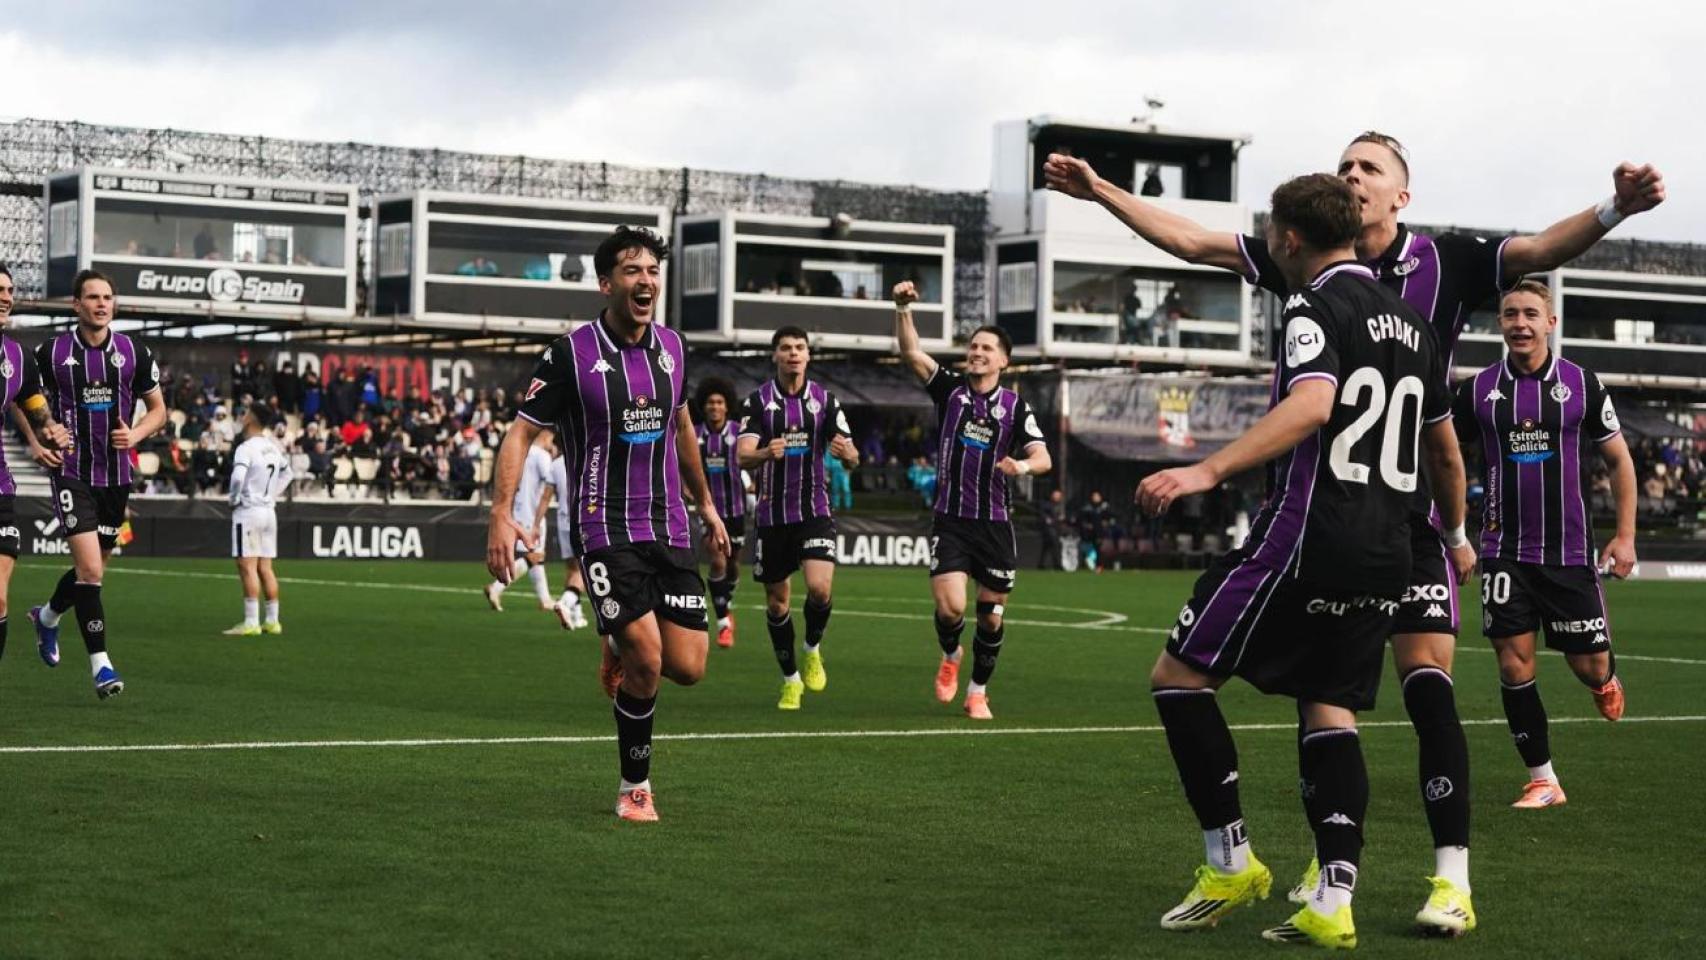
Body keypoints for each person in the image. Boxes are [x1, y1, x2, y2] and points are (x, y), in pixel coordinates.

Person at [1045, 132, 1665, 931]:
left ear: (1400, 196)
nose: (1352, 176)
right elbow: (1191, 240)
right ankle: (1333, 879)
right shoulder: (1312, 265)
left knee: (1425, 687)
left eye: (1369, 167)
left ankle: (1449, 882)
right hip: (1352, 519)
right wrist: (1103, 193)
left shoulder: (1444, 262)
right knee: (1325, 700)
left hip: (1389, 525)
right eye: (1344, 166)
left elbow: (1545, 245)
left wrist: (1616, 206)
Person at [1134, 175, 1471, 949]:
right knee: (1328, 704)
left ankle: (1231, 860)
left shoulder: (1313, 305)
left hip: (1303, 539)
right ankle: (1333, 900)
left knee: (1179, 679)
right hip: (1389, 551)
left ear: (1289, 239)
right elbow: (1445, 455)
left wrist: (1204, 470)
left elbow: (1315, 402)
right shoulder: (1417, 328)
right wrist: (1452, 535)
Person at [488, 225, 729, 823]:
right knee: (647, 660)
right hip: (603, 527)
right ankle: (634, 788)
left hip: (669, 526)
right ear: (606, 283)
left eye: (652, 270)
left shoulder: (673, 348)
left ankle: (612, 639)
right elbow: (520, 430)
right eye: (632, 270)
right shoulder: (570, 354)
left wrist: (706, 504)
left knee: (689, 667)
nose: (645, 280)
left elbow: (682, 429)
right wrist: (500, 513)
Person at [1452, 281, 1637, 808]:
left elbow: (1619, 460)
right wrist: (1456, 534)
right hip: (1504, 551)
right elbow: (1443, 454)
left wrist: (1624, 537)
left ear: (1550, 323)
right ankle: (1542, 779)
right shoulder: (1478, 392)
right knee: (1513, 664)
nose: (1520, 323)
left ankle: (1605, 679)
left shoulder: (1582, 385)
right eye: (1510, 314)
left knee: (1588, 665)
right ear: (1501, 324)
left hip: (1570, 554)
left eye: (1531, 313)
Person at [894, 280, 1050, 720]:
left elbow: (1043, 457)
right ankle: (950, 655)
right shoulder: (950, 391)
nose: (976, 352)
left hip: (996, 526)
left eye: (986, 348)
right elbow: (912, 353)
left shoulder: (1016, 409)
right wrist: (902, 309)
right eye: (973, 346)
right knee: (950, 609)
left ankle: (978, 692)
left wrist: (1020, 466)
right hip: (951, 522)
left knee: (991, 615)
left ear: (1003, 359)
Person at [27, 270, 168, 699]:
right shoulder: (51, 352)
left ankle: (48, 616)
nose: (101, 304)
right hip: (72, 471)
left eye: (107, 297)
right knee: (91, 571)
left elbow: (158, 410)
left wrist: (137, 435)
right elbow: (19, 396)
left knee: (95, 569)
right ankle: (101, 667)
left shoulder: (133, 352)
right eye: (92, 297)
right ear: (76, 305)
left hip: (117, 475)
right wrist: (39, 439)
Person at [737, 326, 859, 711]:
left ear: (808, 356)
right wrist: (763, 454)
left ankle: (812, 648)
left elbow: (853, 457)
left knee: (820, 589)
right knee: (777, 604)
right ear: (775, 355)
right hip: (773, 515)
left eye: (800, 348)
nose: (793, 353)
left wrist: (846, 454)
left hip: (814, 511)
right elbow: (742, 456)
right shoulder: (757, 402)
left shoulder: (825, 402)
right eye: (786, 348)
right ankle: (790, 680)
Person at [0, 265, 72, 672]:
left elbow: (36, 409)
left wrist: (51, 432)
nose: (6, 296)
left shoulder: (17, 356)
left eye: (9, 290)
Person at [222, 405, 292, 636]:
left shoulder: (246, 448)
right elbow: (288, 473)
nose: (243, 417)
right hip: (268, 513)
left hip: (249, 512)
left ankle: (251, 622)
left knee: (247, 566)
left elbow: (237, 478)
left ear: (251, 419)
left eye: (246, 414)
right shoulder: (273, 447)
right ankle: (273, 621)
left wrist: (234, 499)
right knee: (265, 567)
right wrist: (271, 495)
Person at [694, 377, 747, 648]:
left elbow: (752, 463)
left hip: (737, 511)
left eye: (719, 402)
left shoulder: (739, 433)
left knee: (733, 564)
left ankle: (725, 598)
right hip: (709, 513)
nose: (714, 407)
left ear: (727, 407)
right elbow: (683, 466)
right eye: (710, 403)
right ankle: (724, 623)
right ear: (704, 407)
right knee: (717, 562)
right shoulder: (694, 435)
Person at [484, 429, 556, 613]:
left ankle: (545, 599)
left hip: (517, 508)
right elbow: (551, 485)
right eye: (551, 440)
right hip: (533, 512)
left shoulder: (522, 451)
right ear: (546, 436)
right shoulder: (542, 456)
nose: (552, 444)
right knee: (535, 556)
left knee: (536, 557)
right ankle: (496, 587)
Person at [544, 446, 591, 631]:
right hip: (583, 521)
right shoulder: (586, 458)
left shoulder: (555, 464)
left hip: (563, 522)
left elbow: (545, 497)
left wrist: (537, 522)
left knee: (572, 570)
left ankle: (576, 615)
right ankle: (565, 602)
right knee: (586, 572)